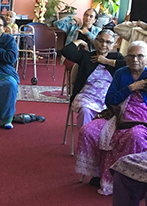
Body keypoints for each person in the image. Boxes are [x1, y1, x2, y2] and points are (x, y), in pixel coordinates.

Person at [75, 41, 147, 195]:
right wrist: (131, 88)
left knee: (135, 137)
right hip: (118, 115)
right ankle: (98, 173)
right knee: (88, 131)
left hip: (142, 120)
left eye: (140, 56)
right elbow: (110, 100)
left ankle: (128, 179)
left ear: (146, 58)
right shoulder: (121, 73)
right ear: (126, 58)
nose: (135, 59)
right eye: (131, 56)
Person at [61, 29, 125, 127]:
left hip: (109, 97)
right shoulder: (86, 56)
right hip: (87, 96)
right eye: (101, 40)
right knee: (85, 110)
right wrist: (79, 41)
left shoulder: (117, 57)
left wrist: (106, 61)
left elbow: (131, 65)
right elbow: (66, 51)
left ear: (113, 45)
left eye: (108, 42)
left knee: (119, 112)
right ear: (95, 41)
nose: (104, 44)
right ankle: (85, 137)